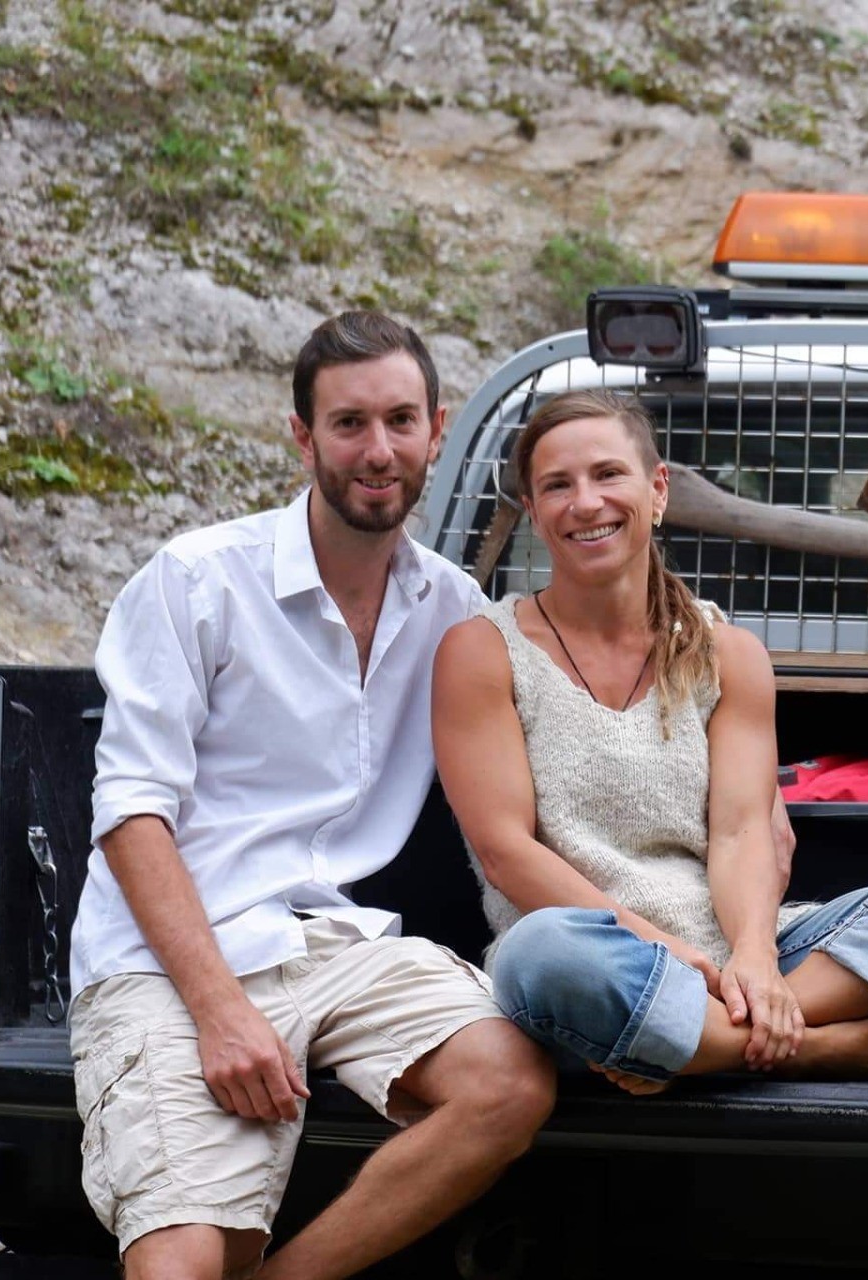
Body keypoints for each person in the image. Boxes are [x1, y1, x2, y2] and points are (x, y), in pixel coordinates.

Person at [68, 311, 556, 1280]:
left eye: (400, 420)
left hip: (336, 944)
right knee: (182, 1259)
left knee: (507, 1084)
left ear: (437, 430)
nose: (378, 450)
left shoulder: (457, 609)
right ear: (302, 436)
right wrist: (220, 1012)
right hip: (170, 960)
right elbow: (131, 811)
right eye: (348, 423)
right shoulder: (199, 579)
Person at [432, 389, 868, 1092]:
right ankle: (826, 1047)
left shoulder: (729, 653)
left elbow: (744, 832)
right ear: (533, 512)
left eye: (607, 475)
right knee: (539, 955)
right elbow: (507, 853)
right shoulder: (482, 652)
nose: (585, 502)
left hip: (749, 955)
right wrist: (661, 948)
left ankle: (693, 1040)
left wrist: (752, 959)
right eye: (557, 485)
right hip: (595, 958)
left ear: (657, 490)